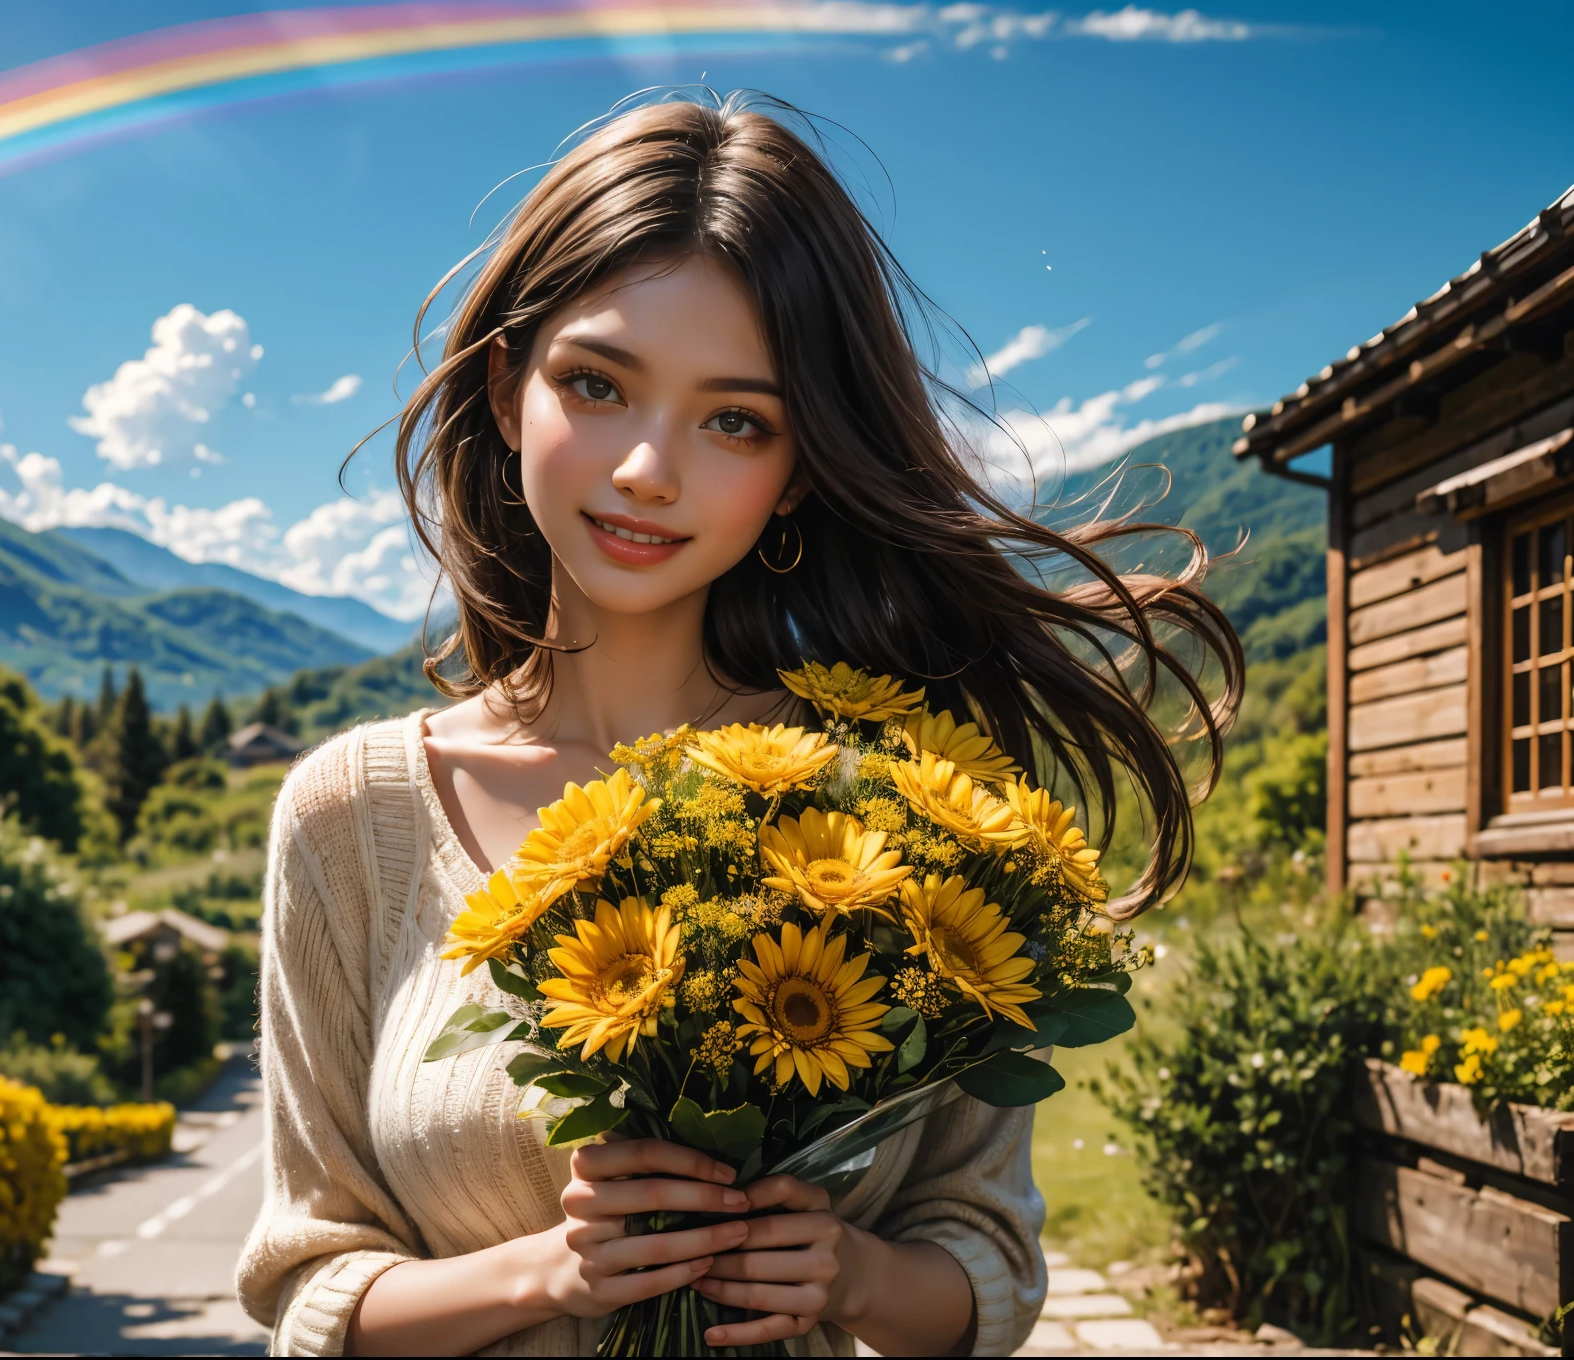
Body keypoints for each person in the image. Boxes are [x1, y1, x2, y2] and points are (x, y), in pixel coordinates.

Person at [237, 94, 1239, 1357]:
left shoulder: (905, 807)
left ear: (800, 467)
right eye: (598, 383)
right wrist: (549, 1274)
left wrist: (854, 1276)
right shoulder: (351, 814)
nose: (650, 467)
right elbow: (311, 1289)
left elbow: (990, 1265)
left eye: (734, 421)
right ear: (506, 389)